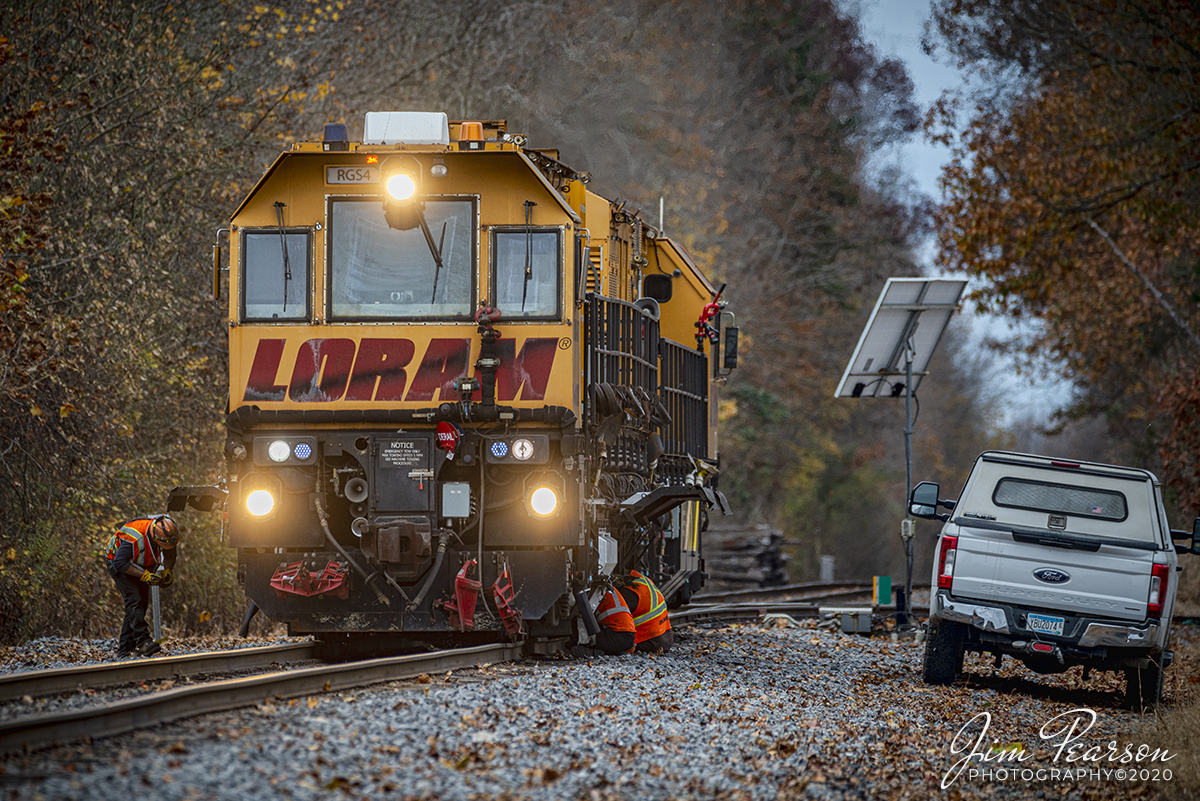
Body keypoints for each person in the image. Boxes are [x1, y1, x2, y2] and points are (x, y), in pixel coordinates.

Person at [104, 515, 178, 658]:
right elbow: (120, 563)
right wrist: (145, 575)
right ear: (156, 538)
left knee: (141, 604)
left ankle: (125, 650)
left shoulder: (168, 533)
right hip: (119, 563)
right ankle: (143, 641)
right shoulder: (135, 536)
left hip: (140, 565)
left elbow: (170, 554)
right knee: (134, 600)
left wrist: (168, 571)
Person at [591, 570, 673, 655]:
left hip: (650, 640)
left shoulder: (632, 594)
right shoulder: (645, 583)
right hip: (666, 638)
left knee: (622, 640)